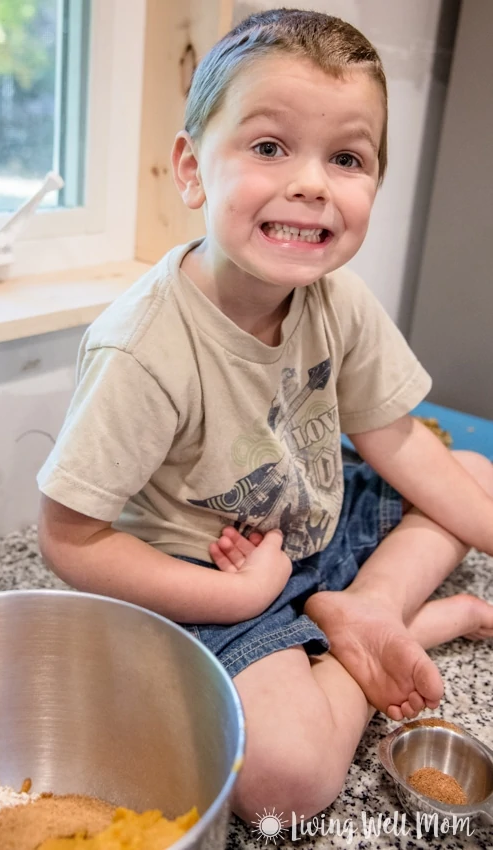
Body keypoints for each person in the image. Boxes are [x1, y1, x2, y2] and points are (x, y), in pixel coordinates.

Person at [37, 9, 493, 822]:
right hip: (214, 567)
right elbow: (69, 540)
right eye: (269, 147)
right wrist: (241, 599)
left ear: (372, 184)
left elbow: (391, 438)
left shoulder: (334, 298)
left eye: (346, 157)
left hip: (312, 518)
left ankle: (364, 609)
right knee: (287, 782)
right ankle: (394, 626)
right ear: (191, 169)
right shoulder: (142, 350)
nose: (311, 182)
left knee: (471, 473)